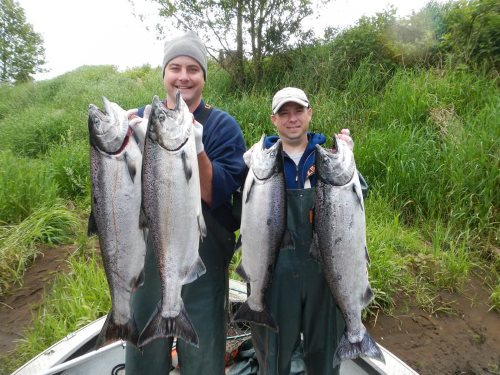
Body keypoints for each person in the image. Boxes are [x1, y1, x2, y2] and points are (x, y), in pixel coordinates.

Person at [125, 31, 247, 374]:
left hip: (202, 256)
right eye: (175, 67)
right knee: (144, 355)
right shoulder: (142, 117)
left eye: (193, 68)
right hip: (150, 257)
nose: (183, 76)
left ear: (203, 77)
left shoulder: (223, 126)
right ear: (163, 74)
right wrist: (120, 143)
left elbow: (215, 193)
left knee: (204, 355)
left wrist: (196, 147)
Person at [249, 87, 368, 375]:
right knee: (273, 357)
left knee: (325, 357)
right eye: (284, 113)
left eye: (298, 111)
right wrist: (247, 175)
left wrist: (349, 156)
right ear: (273, 119)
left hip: (326, 273)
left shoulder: (328, 156)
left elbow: (359, 195)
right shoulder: (260, 160)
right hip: (274, 274)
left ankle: (355, 339)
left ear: (310, 113)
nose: (292, 119)